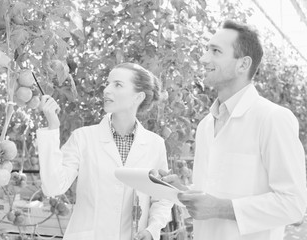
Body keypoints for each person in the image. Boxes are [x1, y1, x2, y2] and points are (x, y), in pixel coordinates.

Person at [162, 20, 307, 240]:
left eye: (216, 51)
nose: (203, 59)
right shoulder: (205, 126)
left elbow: (293, 204)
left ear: (243, 64)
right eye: (206, 50)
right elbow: (213, 192)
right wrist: (181, 190)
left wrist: (221, 208)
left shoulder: (272, 119)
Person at [37, 62, 173, 240]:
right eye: (107, 83)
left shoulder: (155, 144)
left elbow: (161, 198)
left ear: (138, 97)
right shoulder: (83, 138)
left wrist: (152, 229)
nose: (106, 90)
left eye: (117, 85)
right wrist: (53, 127)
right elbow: (52, 187)